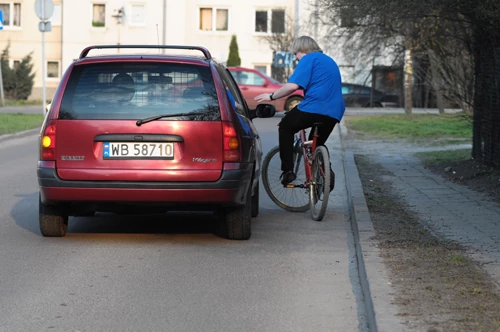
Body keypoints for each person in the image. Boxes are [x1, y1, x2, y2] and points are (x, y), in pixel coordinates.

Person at [254, 36, 345, 188]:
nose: (295, 58)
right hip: (334, 112)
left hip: (314, 107)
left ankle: (288, 171)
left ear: (303, 49)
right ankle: (325, 171)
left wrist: (271, 96)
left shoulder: (309, 59)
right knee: (316, 145)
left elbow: (292, 86)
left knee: (285, 127)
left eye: (295, 53)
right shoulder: (329, 61)